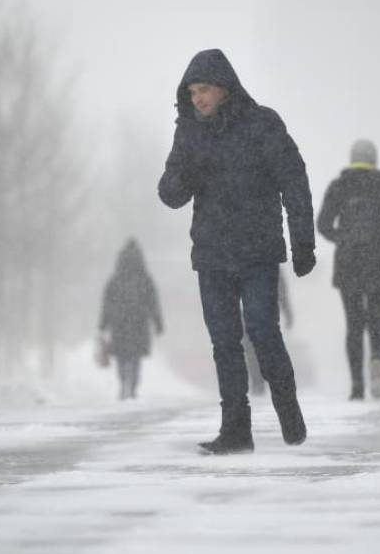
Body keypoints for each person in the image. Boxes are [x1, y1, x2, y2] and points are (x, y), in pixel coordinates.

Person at [158, 48, 315, 455]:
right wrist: (190, 171)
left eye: (204, 90)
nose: (197, 99)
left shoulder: (263, 124)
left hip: (257, 251)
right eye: (191, 92)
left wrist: (303, 241)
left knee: (263, 331)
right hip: (211, 255)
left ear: (224, 88)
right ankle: (236, 429)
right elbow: (169, 193)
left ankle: (288, 410)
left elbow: (293, 180)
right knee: (224, 341)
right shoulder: (189, 132)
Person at [317, 139, 380, 400]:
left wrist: (342, 239)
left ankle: (357, 384)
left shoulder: (340, 186)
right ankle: (377, 356)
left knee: (354, 325)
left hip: (349, 263)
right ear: (374, 159)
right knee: (378, 320)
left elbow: (323, 223)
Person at [99, 239, 164, 400]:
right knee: (135, 357)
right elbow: (153, 302)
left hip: (119, 322)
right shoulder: (145, 279)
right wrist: (158, 323)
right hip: (139, 322)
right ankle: (133, 387)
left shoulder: (115, 280)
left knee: (121, 356)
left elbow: (107, 302)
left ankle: (122, 385)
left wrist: (103, 323)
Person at [244, 271, 293, 396]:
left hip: (255, 315)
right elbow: (282, 292)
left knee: (255, 350)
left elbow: (282, 292)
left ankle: (261, 382)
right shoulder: (269, 265)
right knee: (264, 348)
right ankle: (272, 383)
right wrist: (287, 313)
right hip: (263, 315)